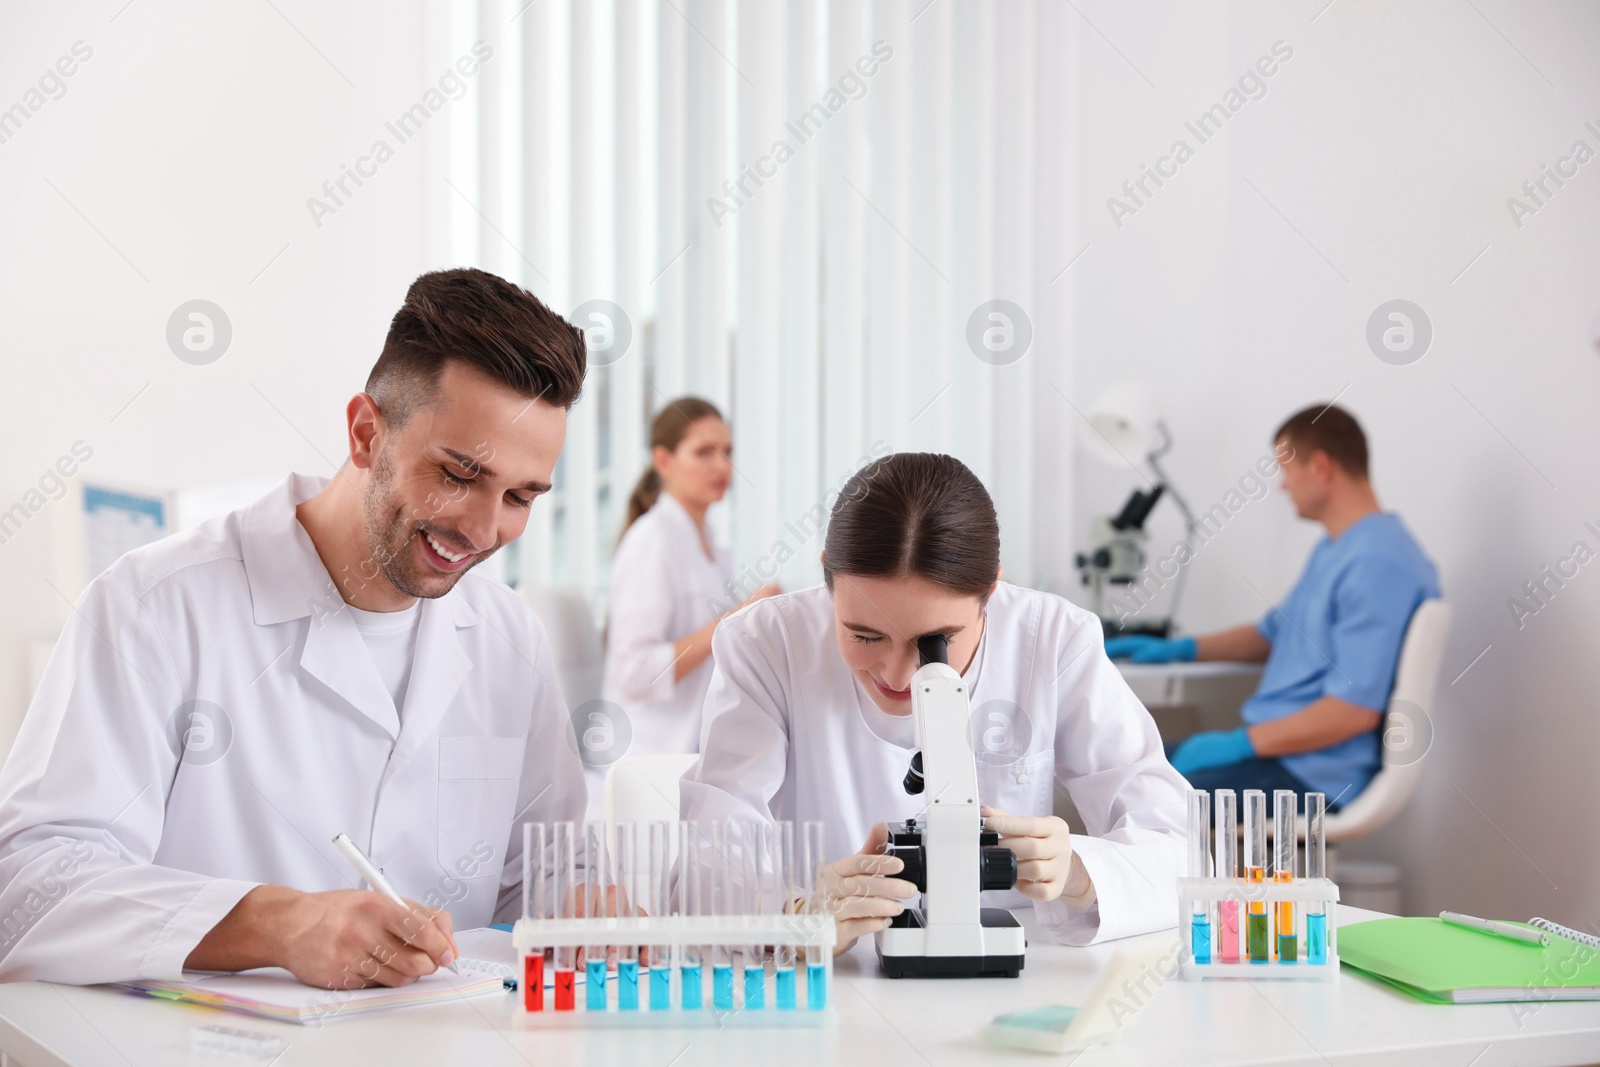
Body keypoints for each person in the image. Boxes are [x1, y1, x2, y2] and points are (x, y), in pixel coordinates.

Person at [0, 268, 589, 987]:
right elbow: (27, 892)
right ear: (367, 432)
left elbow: (546, 882)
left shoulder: (507, 638)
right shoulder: (154, 606)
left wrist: (594, 907)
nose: (482, 526)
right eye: (459, 474)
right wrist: (275, 924)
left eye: (520, 496)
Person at [680, 453, 1189, 954]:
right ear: (828, 581)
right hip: (827, 990)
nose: (900, 677)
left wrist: (1079, 870)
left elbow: (1179, 848)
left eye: (935, 643)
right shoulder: (767, 643)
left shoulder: (1053, 639)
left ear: (991, 590)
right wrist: (794, 918)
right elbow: (706, 858)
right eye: (865, 635)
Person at [1106, 404, 1440, 810]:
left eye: (1286, 470)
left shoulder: (1378, 562)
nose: (1282, 487)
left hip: (1310, 776)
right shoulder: (1338, 548)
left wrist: (1240, 744)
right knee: (1118, 768)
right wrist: (1181, 649)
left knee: (1134, 796)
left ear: (1320, 466)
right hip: (1282, 757)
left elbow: (1353, 713)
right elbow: (1274, 633)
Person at [600, 399, 777, 793]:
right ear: (663, 461)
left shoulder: (713, 547)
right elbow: (635, 673)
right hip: (653, 760)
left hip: (693, 755)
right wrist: (733, 621)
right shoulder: (652, 542)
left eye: (727, 453)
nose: (721, 466)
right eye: (704, 452)